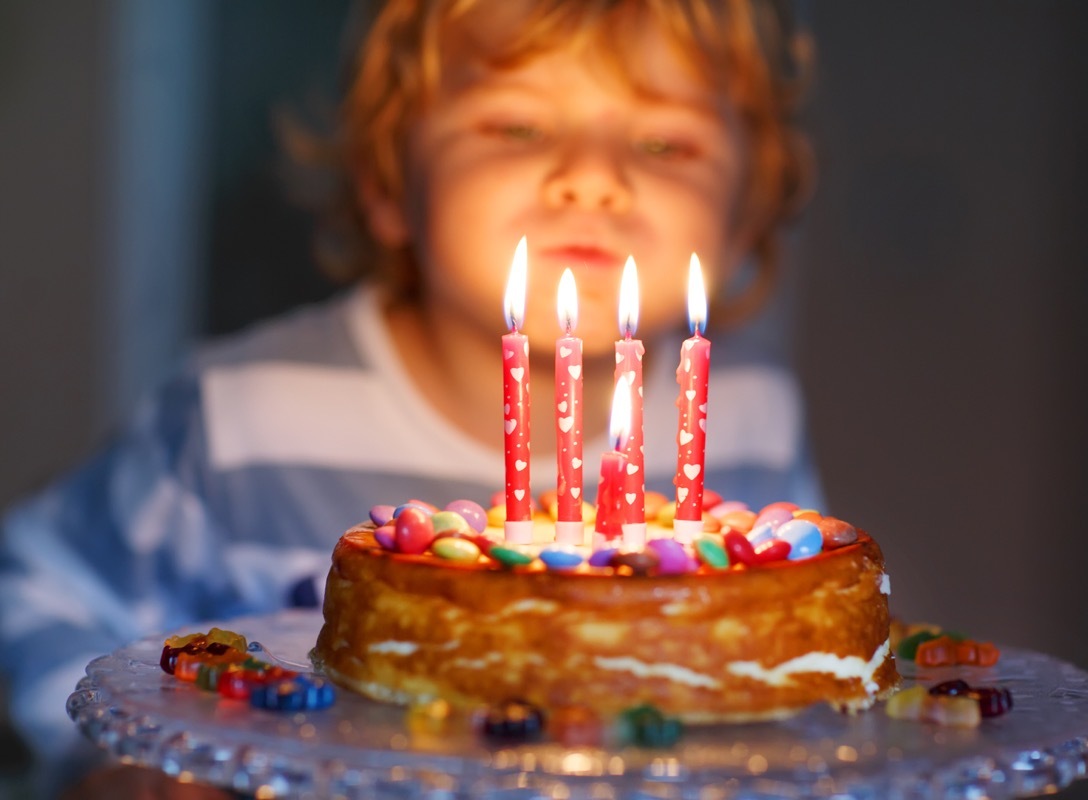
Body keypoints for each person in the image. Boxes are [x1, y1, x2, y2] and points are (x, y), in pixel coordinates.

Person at [0, 0, 821, 795]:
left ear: (747, 213)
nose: (594, 178)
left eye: (664, 142)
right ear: (392, 183)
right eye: (518, 127)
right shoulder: (249, 416)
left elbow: (806, 670)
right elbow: (32, 584)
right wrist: (108, 763)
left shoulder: (750, 414)